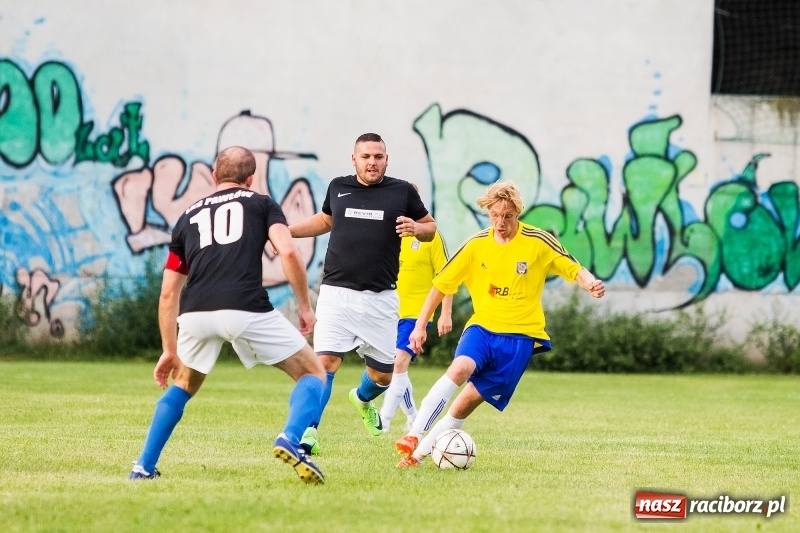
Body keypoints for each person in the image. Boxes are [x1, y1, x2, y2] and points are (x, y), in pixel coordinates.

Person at [129, 146, 327, 485]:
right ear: (251, 179)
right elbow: (289, 250)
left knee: (184, 384)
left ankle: (143, 466)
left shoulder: (187, 216)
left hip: (194, 314)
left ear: (214, 175)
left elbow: (168, 292)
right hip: (244, 307)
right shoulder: (261, 203)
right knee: (314, 374)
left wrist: (168, 348)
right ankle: (291, 438)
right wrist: (305, 307)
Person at [394, 181, 605, 467]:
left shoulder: (537, 241)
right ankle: (415, 434)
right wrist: (420, 326)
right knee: (460, 368)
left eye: (507, 216)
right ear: (488, 212)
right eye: (495, 215)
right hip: (482, 328)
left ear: (517, 212)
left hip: (519, 338)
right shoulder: (476, 244)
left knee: (462, 407)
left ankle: (416, 458)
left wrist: (590, 282)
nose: (500, 222)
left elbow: (572, 266)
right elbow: (440, 284)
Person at [288, 133, 436, 455]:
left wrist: (416, 228)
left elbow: (431, 228)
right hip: (336, 294)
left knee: (383, 374)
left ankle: (362, 398)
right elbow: (326, 220)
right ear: (353, 159)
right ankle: (309, 433)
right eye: (366, 156)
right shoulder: (338, 187)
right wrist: (287, 232)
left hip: (381, 298)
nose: (372, 162)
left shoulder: (402, 192)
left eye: (378, 156)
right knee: (323, 363)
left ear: (387, 159)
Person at [379, 226, 454, 433]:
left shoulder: (432, 236)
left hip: (417, 314)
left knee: (398, 362)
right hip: (389, 310)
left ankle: (383, 422)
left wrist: (445, 313)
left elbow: (447, 276)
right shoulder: (390, 233)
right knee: (395, 369)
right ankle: (414, 416)